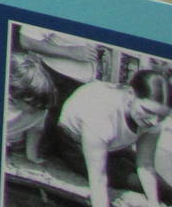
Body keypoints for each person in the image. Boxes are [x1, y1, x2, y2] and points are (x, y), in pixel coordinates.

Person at [56, 69, 172, 207]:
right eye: (148, 111)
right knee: (132, 182)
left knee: (165, 191)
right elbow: (98, 179)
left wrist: (153, 203)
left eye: (162, 116)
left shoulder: (152, 118)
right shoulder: (103, 112)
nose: (154, 121)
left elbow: (146, 164)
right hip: (75, 145)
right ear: (130, 94)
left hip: (112, 144)